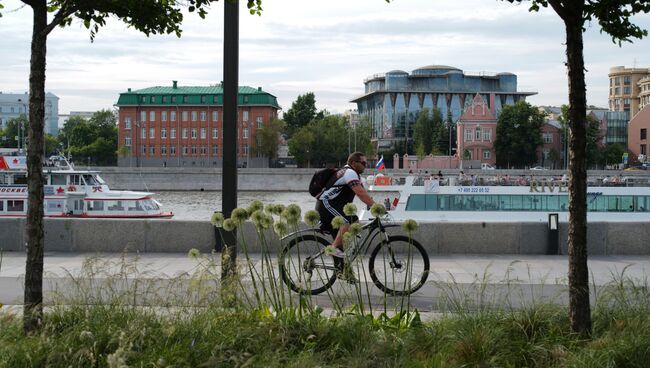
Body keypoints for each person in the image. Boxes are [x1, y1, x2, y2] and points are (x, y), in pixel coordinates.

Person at [317, 152, 376, 281]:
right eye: (363, 163)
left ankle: (344, 273)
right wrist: (376, 206)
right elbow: (360, 193)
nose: (365, 166)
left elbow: (363, 192)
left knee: (341, 245)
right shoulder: (349, 173)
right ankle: (331, 249)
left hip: (332, 206)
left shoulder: (350, 174)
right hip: (326, 205)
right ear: (354, 163)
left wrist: (370, 202)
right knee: (351, 220)